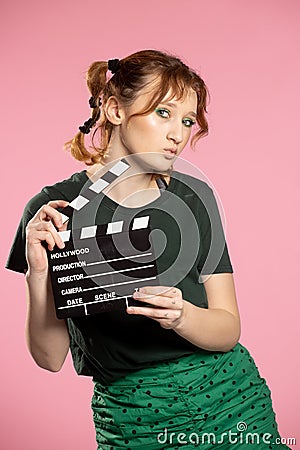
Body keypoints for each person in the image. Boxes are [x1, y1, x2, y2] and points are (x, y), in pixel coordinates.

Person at [6, 50, 289, 449]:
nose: (178, 134)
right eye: (163, 113)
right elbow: (50, 358)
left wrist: (183, 315)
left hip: (230, 400)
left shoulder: (193, 198)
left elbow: (227, 328)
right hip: (132, 418)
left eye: (187, 121)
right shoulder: (55, 210)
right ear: (114, 110)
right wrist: (38, 274)